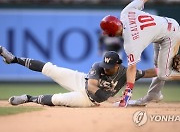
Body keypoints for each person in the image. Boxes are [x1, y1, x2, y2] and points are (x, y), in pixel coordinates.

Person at [100, 0, 180, 107]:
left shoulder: (130, 41)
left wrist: (127, 93)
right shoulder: (125, 13)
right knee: (157, 66)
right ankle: (154, 94)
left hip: (170, 35)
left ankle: (154, 93)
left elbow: (132, 68)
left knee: (164, 74)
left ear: (111, 32)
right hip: (167, 26)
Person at [0, 46, 156, 107]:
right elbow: (91, 86)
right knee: (51, 69)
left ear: (117, 65)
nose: (106, 69)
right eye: (105, 65)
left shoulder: (125, 72)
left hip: (88, 100)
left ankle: (28, 98)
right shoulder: (97, 66)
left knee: (58, 99)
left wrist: (164, 69)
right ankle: (13, 59)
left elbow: (147, 73)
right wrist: (108, 98)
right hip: (81, 81)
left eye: (109, 67)